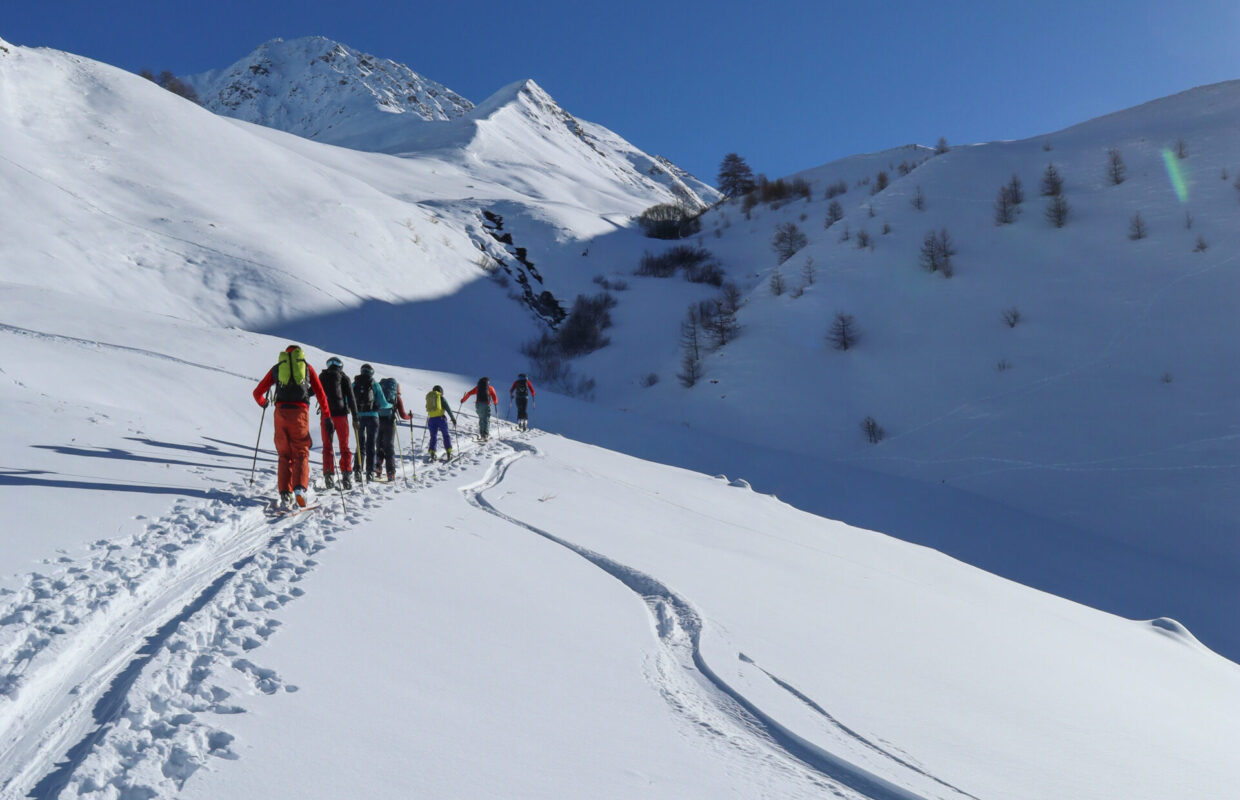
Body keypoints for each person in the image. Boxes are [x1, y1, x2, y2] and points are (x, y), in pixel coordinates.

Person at [252, 345, 329, 508]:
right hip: (300, 413)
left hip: (281, 413)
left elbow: (257, 392)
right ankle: (299, 490)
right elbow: (321, 393)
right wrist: (327, 415)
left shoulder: (277, 368)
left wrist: (263, 402)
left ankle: (285, 493)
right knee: (301, 451)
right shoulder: (307, 367)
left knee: (284, 454)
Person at [318, 357, 358, 490]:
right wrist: (355, 417)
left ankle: (329, 475)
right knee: (344, 446)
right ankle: (346, 475)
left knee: (327, 446)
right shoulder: (344, 378)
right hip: (341, 415)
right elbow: (351, 398)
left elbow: (313, 391)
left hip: (326, 415)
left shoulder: (322, 376)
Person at [352, 363, 389, 483]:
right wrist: (391, 405)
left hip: (358, 418)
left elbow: (348, 400)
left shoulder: (354, 383)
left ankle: (357, 471)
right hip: (373, 417)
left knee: (360, 444)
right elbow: (383, 403)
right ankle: (370, 472)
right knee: (371, 444)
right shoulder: (375, 384)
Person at [375, 376, 412, 481]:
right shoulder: (396, 398)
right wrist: (410, 416)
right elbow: (403, 415)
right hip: (390, 423)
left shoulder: (379, 396)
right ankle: (390, 473)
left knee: (379, 446)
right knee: (389, 447)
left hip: (378, 421)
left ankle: (378, 466)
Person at [425, 385, 457, 461]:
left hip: (431, 420)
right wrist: (453, 418)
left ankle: (432, 453)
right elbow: (448, 409)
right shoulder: (441, 398)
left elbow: (427, 408)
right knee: (445, 435)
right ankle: (449, 452)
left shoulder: (430, 398)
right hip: (441, 419)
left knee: (433, 436)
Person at [461, 377, 499, 441]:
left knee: (481, 419)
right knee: (486, 419)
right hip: (486, 405)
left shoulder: (478, 388)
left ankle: (482, 434)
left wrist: (463, 400)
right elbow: (494, 397)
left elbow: (469, 393)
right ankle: (485, 435)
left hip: (478, 405)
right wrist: (495, 403)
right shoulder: (490, 388)